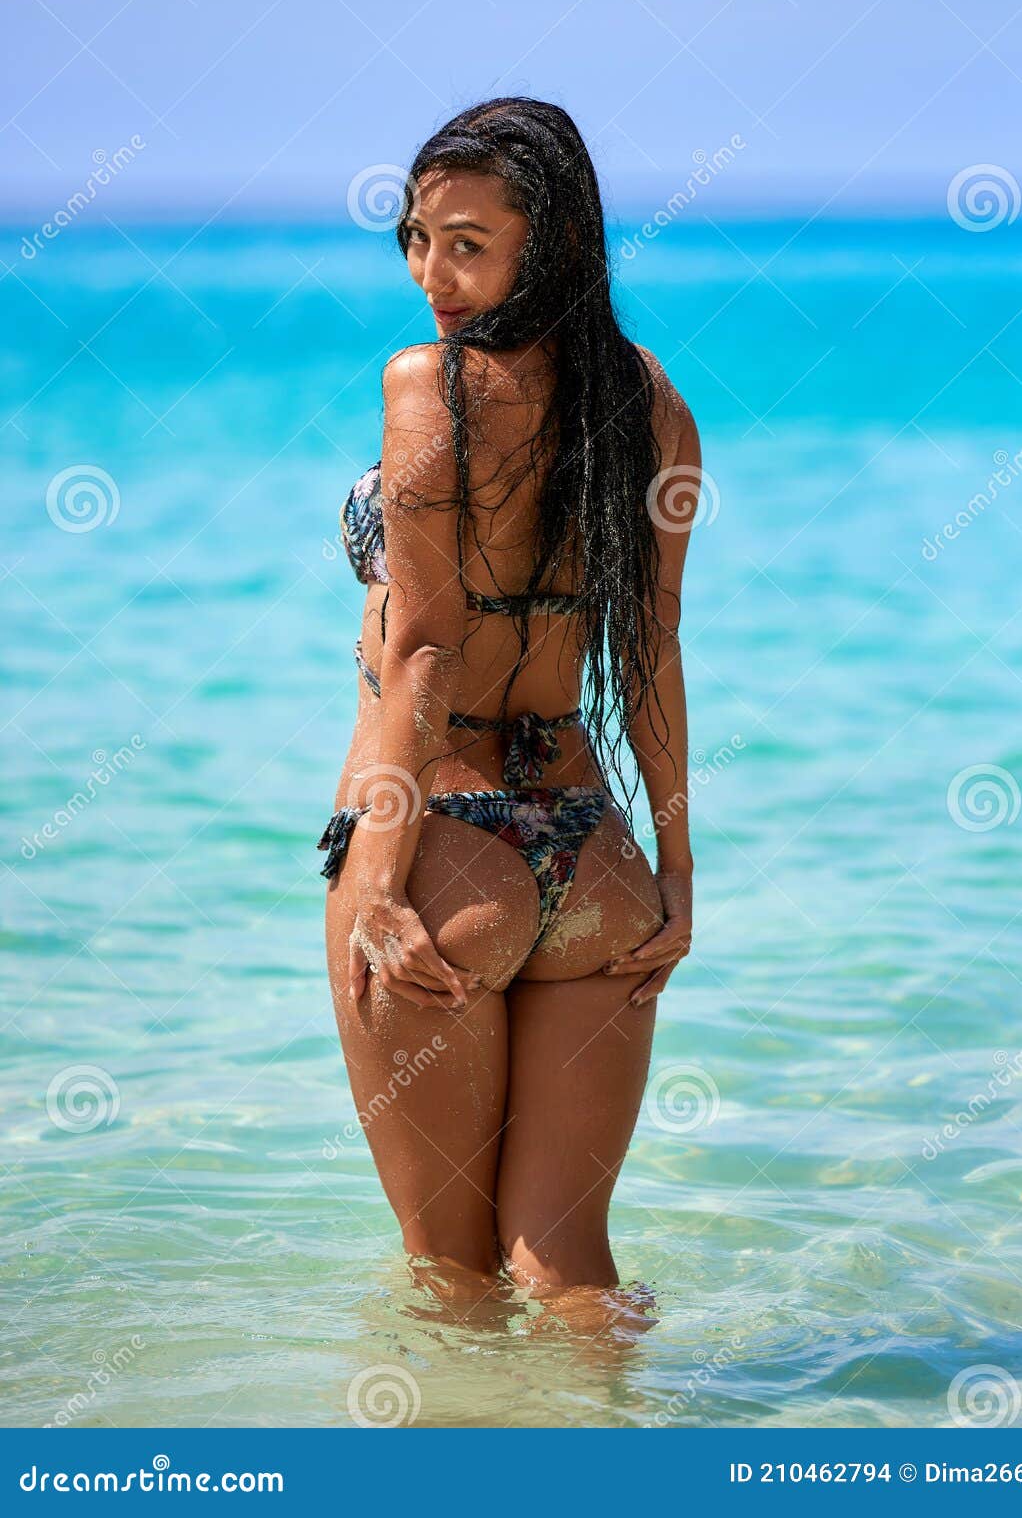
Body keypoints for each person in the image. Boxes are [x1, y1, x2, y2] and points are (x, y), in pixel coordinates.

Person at [320, 97, 699, 1293]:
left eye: (469, 241)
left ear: (550, 242)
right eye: (417, 236)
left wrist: (377, 884)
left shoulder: (428, 384)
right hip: (593, 861)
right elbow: (654, 651)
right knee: (570, 1272)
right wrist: (676, 873)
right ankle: (631, 1473)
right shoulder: (647, 404)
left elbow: (425, 648)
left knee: (450, 1277)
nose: (433, 270)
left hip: (442, 841)